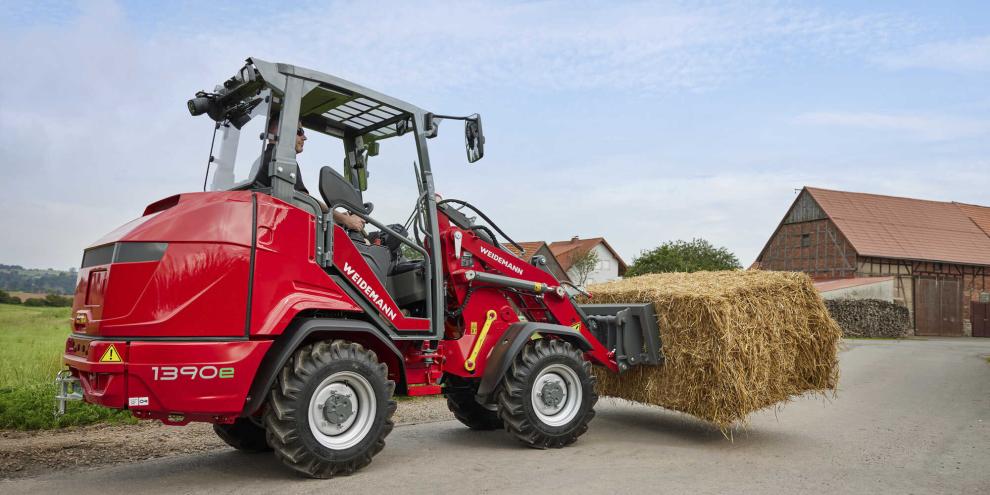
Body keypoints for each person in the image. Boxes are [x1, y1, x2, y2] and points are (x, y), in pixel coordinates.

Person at [255, 119, 365, 231]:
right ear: (281, 131)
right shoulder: (281, 160)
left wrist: (338, 217)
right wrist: (345, 220)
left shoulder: (260, 162)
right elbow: (304, 201)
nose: (304, 137)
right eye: (300, 131)